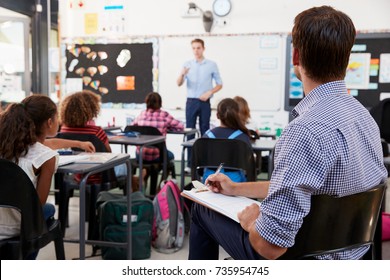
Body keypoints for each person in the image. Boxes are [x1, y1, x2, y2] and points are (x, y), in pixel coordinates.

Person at [188, 6, 388, 260]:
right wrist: (236, 189)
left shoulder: (304, 131)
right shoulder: (365, 118)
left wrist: (251, 221)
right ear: (347, 60)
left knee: (201, 209)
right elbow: (300, 187)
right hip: (353, 256)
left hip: (300, 260)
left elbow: (270, 246)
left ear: (295, 56)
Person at [0, 95, 59, 248]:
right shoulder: (46, 157)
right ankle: (25, 258)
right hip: (18, 227)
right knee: (48, 209)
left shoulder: (4, 145)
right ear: (50, 122)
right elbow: (37, 205)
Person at [177, 38, 223, 173]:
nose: (196, 50)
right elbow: (179, 83)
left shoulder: (212, 64)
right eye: (194, 48)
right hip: (191, 101)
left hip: (204, 101)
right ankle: (189, 164)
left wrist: (210, 92)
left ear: (203, 48)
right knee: (190, 132)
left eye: (198, 48)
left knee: (205, 131)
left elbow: (220, 84)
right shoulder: (187, 64)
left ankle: (203, 163)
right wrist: (182, 74)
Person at [131, 92, 184, 194]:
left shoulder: (142, 114)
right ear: (160, 103)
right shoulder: (164, 115)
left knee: (153, 159)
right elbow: (180, 126)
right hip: (157, 155)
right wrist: (167, 127)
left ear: (147, 102)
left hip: (141, 155)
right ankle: (159, 189)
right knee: (170, 157)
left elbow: (132, 127)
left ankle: (144, 174)